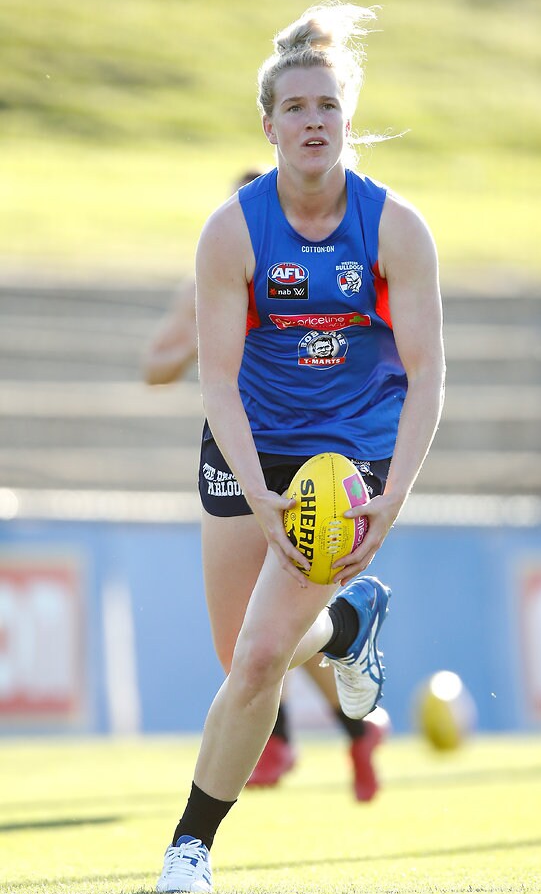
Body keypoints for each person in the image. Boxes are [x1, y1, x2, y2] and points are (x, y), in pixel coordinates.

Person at [156, 0, 445, 894]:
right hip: (246, 449)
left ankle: (189, 848)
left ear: (346, 119)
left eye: (326, 106)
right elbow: (214, 384)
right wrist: (261, 494)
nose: (312, 122)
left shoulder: (395, 228)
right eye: (295, 108)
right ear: (269, 123)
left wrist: (388, 499)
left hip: (346, 458)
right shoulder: (231, 231)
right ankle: (348, 625)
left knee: (255, 662)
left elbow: (428, 376)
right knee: (240, 653)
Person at [142, 170, 391, 801]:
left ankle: (283, 739)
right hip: (236, 448)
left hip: (306, 452)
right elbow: (155, 367)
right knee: (247, 643)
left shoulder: (349, 256)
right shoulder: (215, 267)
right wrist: (210, 339)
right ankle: (351, 708)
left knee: (266, 636)